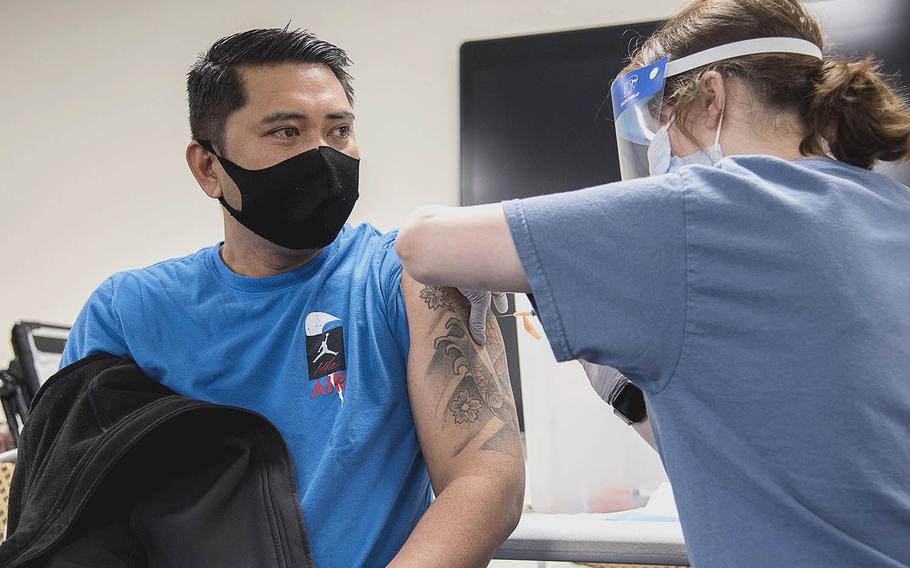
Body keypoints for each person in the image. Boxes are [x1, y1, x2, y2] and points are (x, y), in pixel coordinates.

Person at [395, 1, 910, 566]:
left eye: (663, 119)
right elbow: (751, 455)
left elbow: (422, 241)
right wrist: (616, 382)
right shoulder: (888, 208)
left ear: (712, 97)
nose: (663, 146)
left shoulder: (701, 211)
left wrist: (519, 269)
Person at [60, 27, 524, 567]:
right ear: (208, 166)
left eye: (339, 130)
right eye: (286, 131)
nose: (323, 156)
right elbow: (74, 511)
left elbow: (487, 480)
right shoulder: (127, 313)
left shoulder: (409, 275)